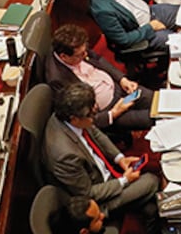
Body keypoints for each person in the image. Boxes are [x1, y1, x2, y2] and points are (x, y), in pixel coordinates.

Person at [44, 83, 159, 229]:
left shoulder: (71, 116)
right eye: (90, 115)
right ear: (74, 119)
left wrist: (120, 158)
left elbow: (96, 134)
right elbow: (88, 193)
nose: (94, 118)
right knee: (152, 181)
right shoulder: (64, 155)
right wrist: (125, 180)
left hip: (107, 173)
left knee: (150, 207)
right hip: (98, 202)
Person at [47, 24, 152, 132]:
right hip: (110, 110)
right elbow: (79, 119)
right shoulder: (57, 80)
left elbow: (99, 59)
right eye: (80, 54)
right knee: (154, 118)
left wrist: (122, 79)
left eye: (85, 50)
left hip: (120, 88)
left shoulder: (78, 49)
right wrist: (114, 113)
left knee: (158, 102)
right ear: (64, 56)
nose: (86, 54)